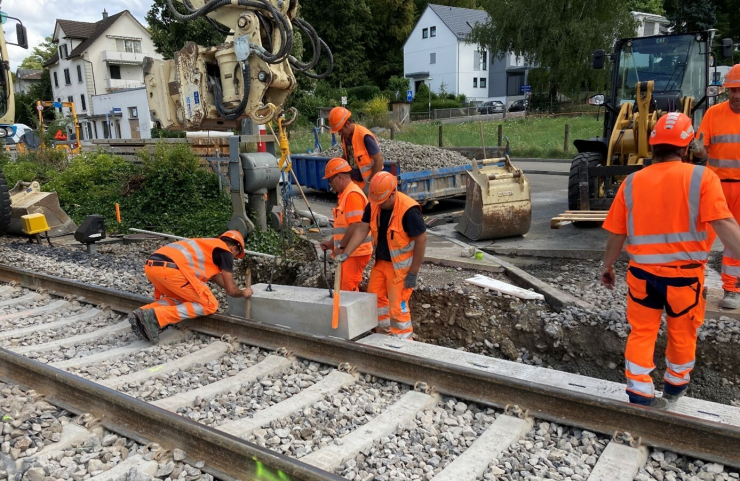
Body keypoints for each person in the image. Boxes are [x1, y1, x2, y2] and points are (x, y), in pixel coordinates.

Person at [600, 112, 740, 409]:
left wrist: (607, 267)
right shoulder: (703, 178)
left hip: (642, 277)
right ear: (687, 146)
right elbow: (725, 226)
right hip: (684, 279)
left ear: (652, 147)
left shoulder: (632, 182)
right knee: (682, 334)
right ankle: (674, 388)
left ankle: (639, 393)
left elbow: (616, 234)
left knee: (642, 332)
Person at [336, 172, 427, 339]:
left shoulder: (409, 210)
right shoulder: (375, 203)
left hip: (400, 269)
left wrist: (413, 272)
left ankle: (404, 344)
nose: (378, 204)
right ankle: (384, 335)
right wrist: (346, 252)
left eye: (382, 201)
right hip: (382, 264)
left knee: (397, 308)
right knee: (375, 298)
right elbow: (363, 228)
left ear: (393, 193)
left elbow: (421, 241)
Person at [129, 230, 253, 343]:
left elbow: (219, 279)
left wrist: (232, 289)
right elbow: (231, 290)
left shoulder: (209, 246)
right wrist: (242, 293)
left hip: (152, 266)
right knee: (210, 304)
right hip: (172, 270)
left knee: (180, 300)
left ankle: (142, 313)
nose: (234, 258)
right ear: (234, 248)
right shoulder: (226, 252)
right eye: (236, 255)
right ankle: (155, 317)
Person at [692, 64, 740, 308]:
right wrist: (700, 150)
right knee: (703, 237)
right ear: (726, 91)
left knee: (736, 241)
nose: (737, 95)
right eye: (732, 90)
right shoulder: (714, 114)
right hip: (716, 186)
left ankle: (731, 289)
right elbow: (703, 151)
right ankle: (695, 285)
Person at [319, 158, 373, 291]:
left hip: (355, 252)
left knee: (348, 290)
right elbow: (344, 228)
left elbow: (355, 226)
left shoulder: (352, 195)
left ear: (339, 177)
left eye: (330, 180)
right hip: (350, 252)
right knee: (344, 289)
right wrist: (332, 243)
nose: (330, 185)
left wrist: (341, 246)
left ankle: (354, 313)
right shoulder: (346, 195)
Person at [328, 107, 384, 192]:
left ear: (347, 123)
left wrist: (369, 184)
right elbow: (347, 155)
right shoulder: (345, 137)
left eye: (340, 130)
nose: (339, 134)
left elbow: (379, 160)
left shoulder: (364, 136)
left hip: (369, 183)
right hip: (356, 183)